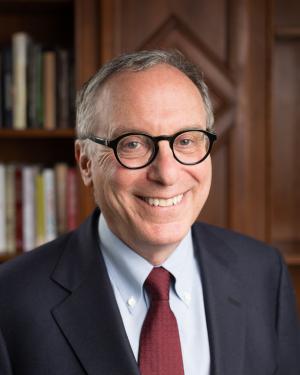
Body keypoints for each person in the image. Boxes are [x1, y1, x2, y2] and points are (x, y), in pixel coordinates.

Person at [0, 50, 299, 375]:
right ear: (86, 163)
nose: (167, 174)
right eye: (133, 144)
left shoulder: (263, 273)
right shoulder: (11, 300)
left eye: (186, 141)